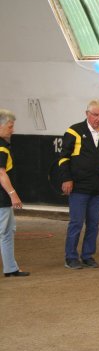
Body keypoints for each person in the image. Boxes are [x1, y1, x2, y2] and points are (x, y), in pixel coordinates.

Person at [59, 100, 99, 269]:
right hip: (79, 186)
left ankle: (87, 255)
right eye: (95, 115)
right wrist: (66, 179)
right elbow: (63, 158)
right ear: (87, 114)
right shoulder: (74, 131)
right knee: (76, 223)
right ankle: (71, 257)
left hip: (98, 187)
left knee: (93, 224)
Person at [0, 109, 29, 277]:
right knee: (5, 232)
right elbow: (1, 173)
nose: (13, 130)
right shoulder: (2, 147)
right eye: (10, 126)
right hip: (2, 198)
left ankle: (10, 268)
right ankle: (10, 268)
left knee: (8, 231)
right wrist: (13, 194)